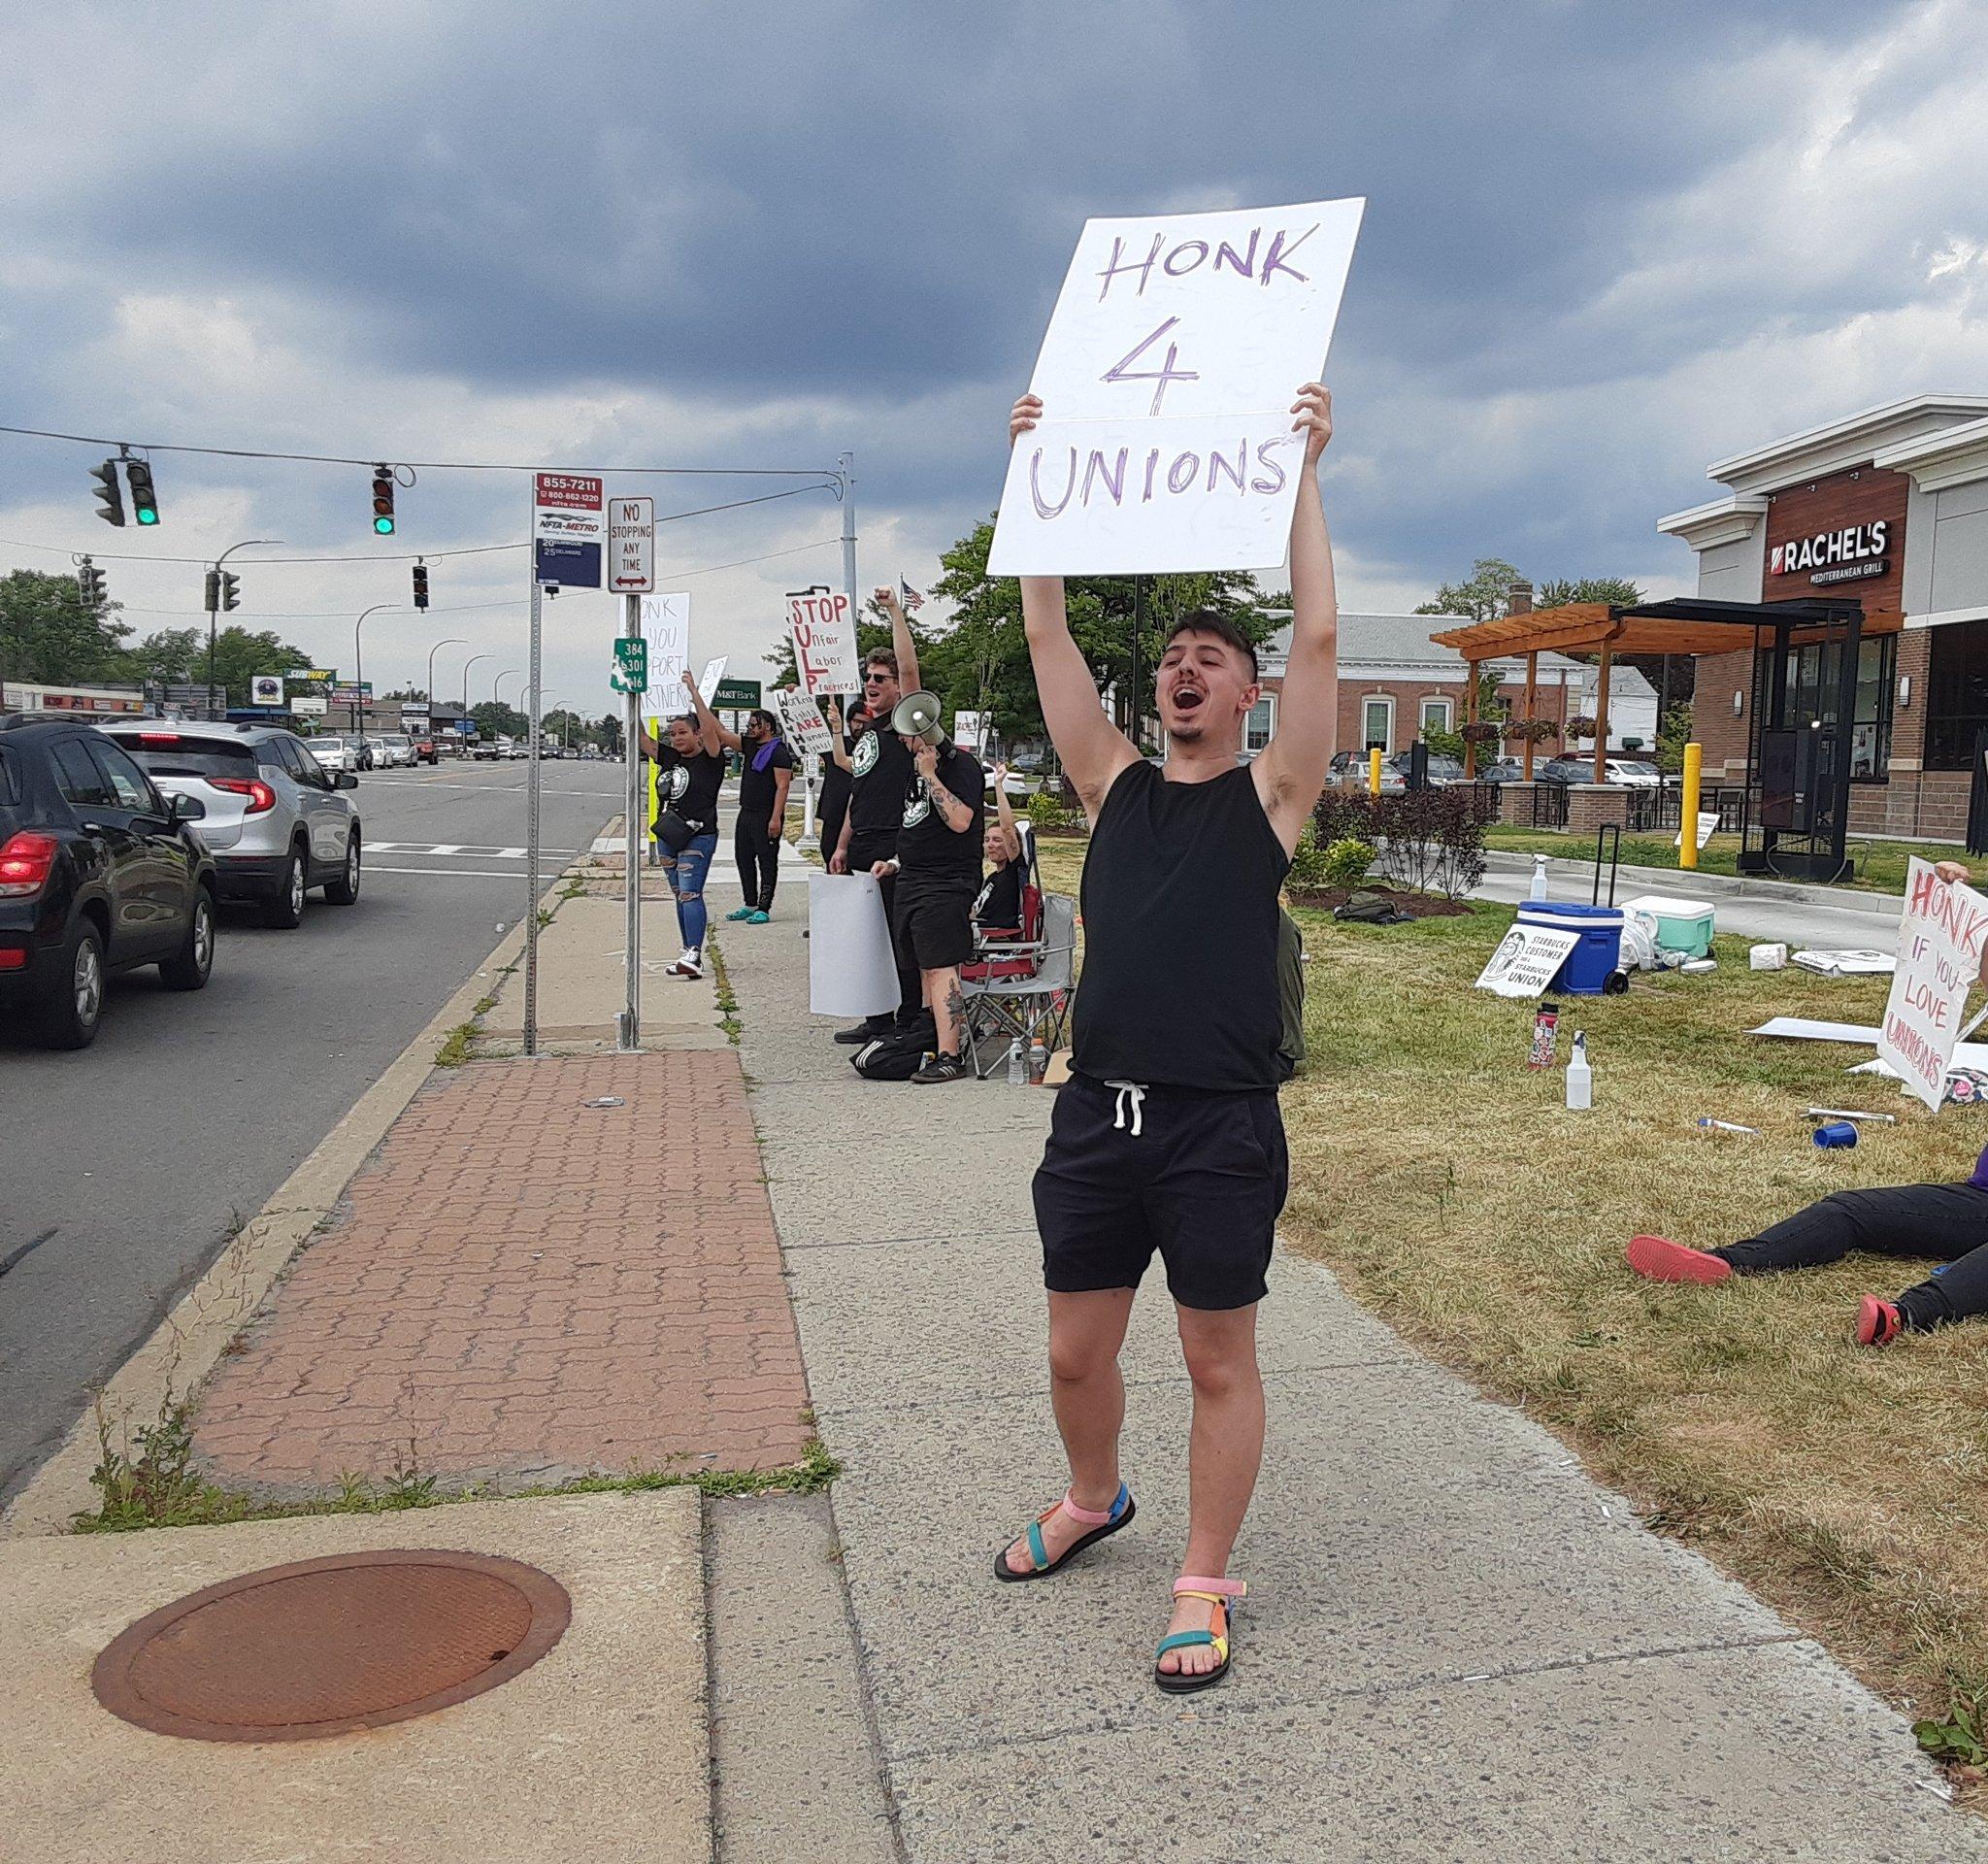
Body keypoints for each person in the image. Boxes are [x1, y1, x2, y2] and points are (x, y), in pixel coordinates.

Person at [993, 383, 1341, 1697]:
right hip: (1099, 1118)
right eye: (1172, 661)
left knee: (1213, 1358)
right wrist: (1030, 474)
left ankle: (1205, 1575)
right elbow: (1043, 627)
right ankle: (1095, 1497)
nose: (1184, 669)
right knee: (1074, 1350)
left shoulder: (1271, 799)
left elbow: (1318, 636)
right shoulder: (1113, 786)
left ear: (1246, 694)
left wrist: (1301, 468)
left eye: (1212, 658)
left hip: (1216, 1126)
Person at [829, 587, 925, 1045]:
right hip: (863, 840)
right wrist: (843, 844)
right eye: (869, 676)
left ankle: (907, 1019)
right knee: (866, 940)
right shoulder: (866, 732)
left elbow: (911, 670)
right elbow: (857, 790)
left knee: (896, 939)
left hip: (894, 842)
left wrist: (893, 612)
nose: (873, 683)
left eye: (882, 678)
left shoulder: (906, 723)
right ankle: (877, 1019)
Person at [872, 719, 984, 1083]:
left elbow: (961, 821)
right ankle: (930, 1037)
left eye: (907, 732)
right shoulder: (914, 770)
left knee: (940, 965)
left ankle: (951, 1055)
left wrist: (932, 776)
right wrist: (894, 862)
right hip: (913, 878)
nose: (902, 739)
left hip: (946, 882)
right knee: (922, 963)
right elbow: (918, 825)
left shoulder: (960, 767)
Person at [637, 672, 728, 980]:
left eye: (682, 733)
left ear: (698, 734)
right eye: (672, 733)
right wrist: (632, 698)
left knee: (690, 892)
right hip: (669, 834)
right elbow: (644, 742)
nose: (676, 738)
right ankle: (688, 951)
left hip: (699, 834)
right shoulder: (671, 757)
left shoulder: (712, 758)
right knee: (679, 894)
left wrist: (694, 692)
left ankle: (694, 954)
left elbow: (710, 727)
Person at [727, 708, 794, 924]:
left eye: (753, 724)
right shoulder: (749, 746)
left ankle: (764, 906)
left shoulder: (778, 752)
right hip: (746, 811)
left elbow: (782, 786)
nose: (749, 728)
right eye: (748, 725)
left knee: (766, 860)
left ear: (766, 726)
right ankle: (750, 903)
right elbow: (720, 732)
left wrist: (776, 818)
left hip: (766, 813)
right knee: (743, 857)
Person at [973, 760, 1028, 938]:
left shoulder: (1014, 871)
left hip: (996, 936)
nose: (990, 844)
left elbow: (1007, 828)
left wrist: (998, 784)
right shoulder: (991, 878)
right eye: (987, 840)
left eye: (997, 840)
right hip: (977, 928)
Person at [815, 694, 855, 879]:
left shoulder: (875, 747)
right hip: (833, 813)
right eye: (855, 721)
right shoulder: (838, 745)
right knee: (830, 858)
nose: (859, 726)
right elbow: (813, 735)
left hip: (858, 818)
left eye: (864, 721)